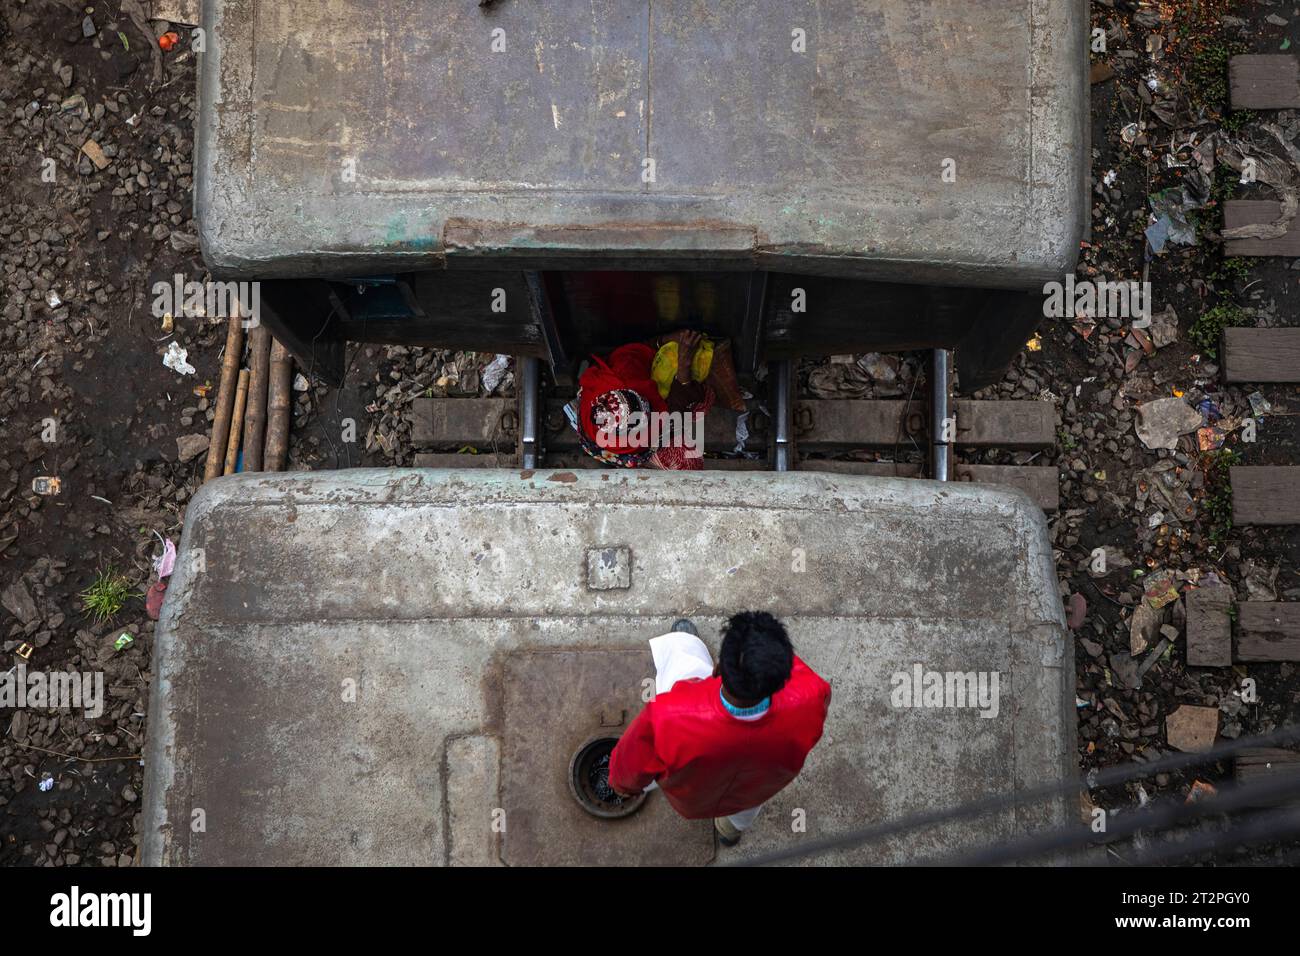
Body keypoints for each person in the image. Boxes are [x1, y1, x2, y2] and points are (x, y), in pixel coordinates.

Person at [608, 612, 832, 847]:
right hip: (754, 790)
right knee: (744, 812)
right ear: (784, 678)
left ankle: (685, 642)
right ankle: (729, 831)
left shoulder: (668, 716)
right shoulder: (812, 696)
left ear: (717, 670)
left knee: (682, 666)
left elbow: (631, 764)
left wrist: (622, 786)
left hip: (692, 797)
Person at [567, 330, 723, 470]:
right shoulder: (639, 439)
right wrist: (684, 367)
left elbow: (643, 347)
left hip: (608, 441)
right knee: (686, 455)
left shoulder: (623, 371)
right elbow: (674, 410)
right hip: (616, 449)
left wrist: (667, 339)